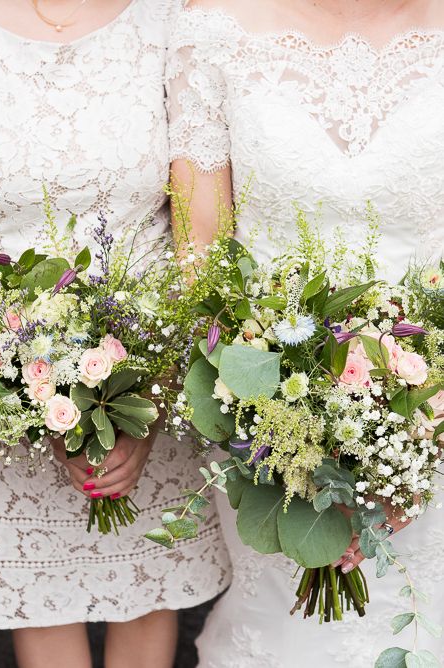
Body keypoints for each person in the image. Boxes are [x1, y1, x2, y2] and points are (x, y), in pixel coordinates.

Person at [0, 1, 231, 666]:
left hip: (151, 362)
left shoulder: (173, 14)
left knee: (148, 598)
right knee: (38, 608)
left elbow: (202, 232)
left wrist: (149, 396)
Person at [168, 0, 444, 665]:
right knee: (289, 631)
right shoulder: (214, 29)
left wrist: (420, 435)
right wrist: (285, 436)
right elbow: (200, 256)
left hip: (432, 405)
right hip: (270, 412)